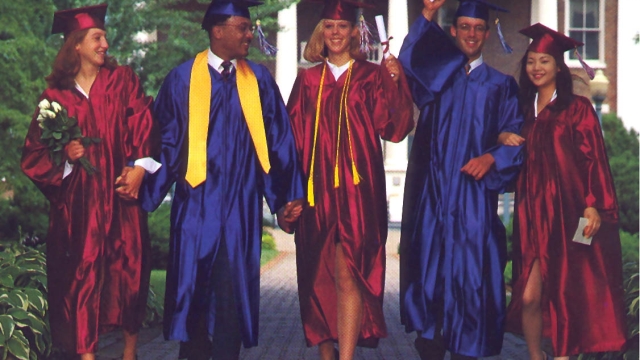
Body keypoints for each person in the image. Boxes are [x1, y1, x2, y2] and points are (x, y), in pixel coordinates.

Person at [138, 0, 305, 359]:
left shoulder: (258, 80)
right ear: (217, 31)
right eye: (243, 27)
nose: (250, 34)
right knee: (194, 302)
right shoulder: (182, 78)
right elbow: (162, 143)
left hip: (239, 213)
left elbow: (279, 143)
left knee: (231, 303)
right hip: (195, 211)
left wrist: (287, 199)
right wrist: (140, 186)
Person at [21, 4, 158, 360]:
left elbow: (143, 120)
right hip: (79, 208)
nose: (106, 44)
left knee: (129, 273)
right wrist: (65, 157)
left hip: (120, 199)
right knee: (81, 279)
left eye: (106, 37)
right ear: (77, 44)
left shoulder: (123, 80)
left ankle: (130, 352)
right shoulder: (55, 99)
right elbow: (34, 155)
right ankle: (87, 355)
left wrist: (140, 167)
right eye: (98, 37)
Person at [282, 1, 414, 359]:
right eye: (329, 26)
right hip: (316, 191)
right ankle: (327, 355)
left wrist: (396, 83)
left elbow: (396, 128)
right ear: (320, 32)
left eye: (342, 27)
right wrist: (286, 197)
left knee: (348, 274)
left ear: (356, 32)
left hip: (359, 191)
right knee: (315, 276)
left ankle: (346, 356)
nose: (336, 33)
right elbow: (289, 143)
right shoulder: (307, 80)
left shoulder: (371, 76)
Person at [397, 0, 524, 359]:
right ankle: (431, 342)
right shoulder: (438, 79)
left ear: (487, 33)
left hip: (473, 207)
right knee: (431, 282)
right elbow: (409, 61)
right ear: (452, 31)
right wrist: (426, 14)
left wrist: (491, 157)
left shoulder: (501, 86)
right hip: (434, 200)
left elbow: (515, 141)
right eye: (464, 26)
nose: (471, 33)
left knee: (472, 285)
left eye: (477, 28)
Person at [502, 23, 628, 360]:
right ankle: (535, 355)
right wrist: (502, 139)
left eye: (544, 60)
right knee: (528, 295)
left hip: (569, 212)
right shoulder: (521, 113)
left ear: (559, 66)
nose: (537, 68)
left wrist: (594, 205)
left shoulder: (578, 110)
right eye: (531, 61)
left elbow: (594, 161)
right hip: (532, 214)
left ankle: (563, 355)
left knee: (565, 290)